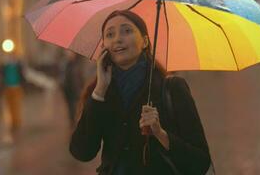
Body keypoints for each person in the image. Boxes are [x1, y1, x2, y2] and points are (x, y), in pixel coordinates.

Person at [69, 10, 211, 175]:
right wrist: (100, 90)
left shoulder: (172, 88)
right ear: (104, 47)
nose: (117, 39)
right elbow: (82, 152)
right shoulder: (101, 93)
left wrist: (160, 134)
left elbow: (200, 161)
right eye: (109, 34)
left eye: (127, 31)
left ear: (144, 41)